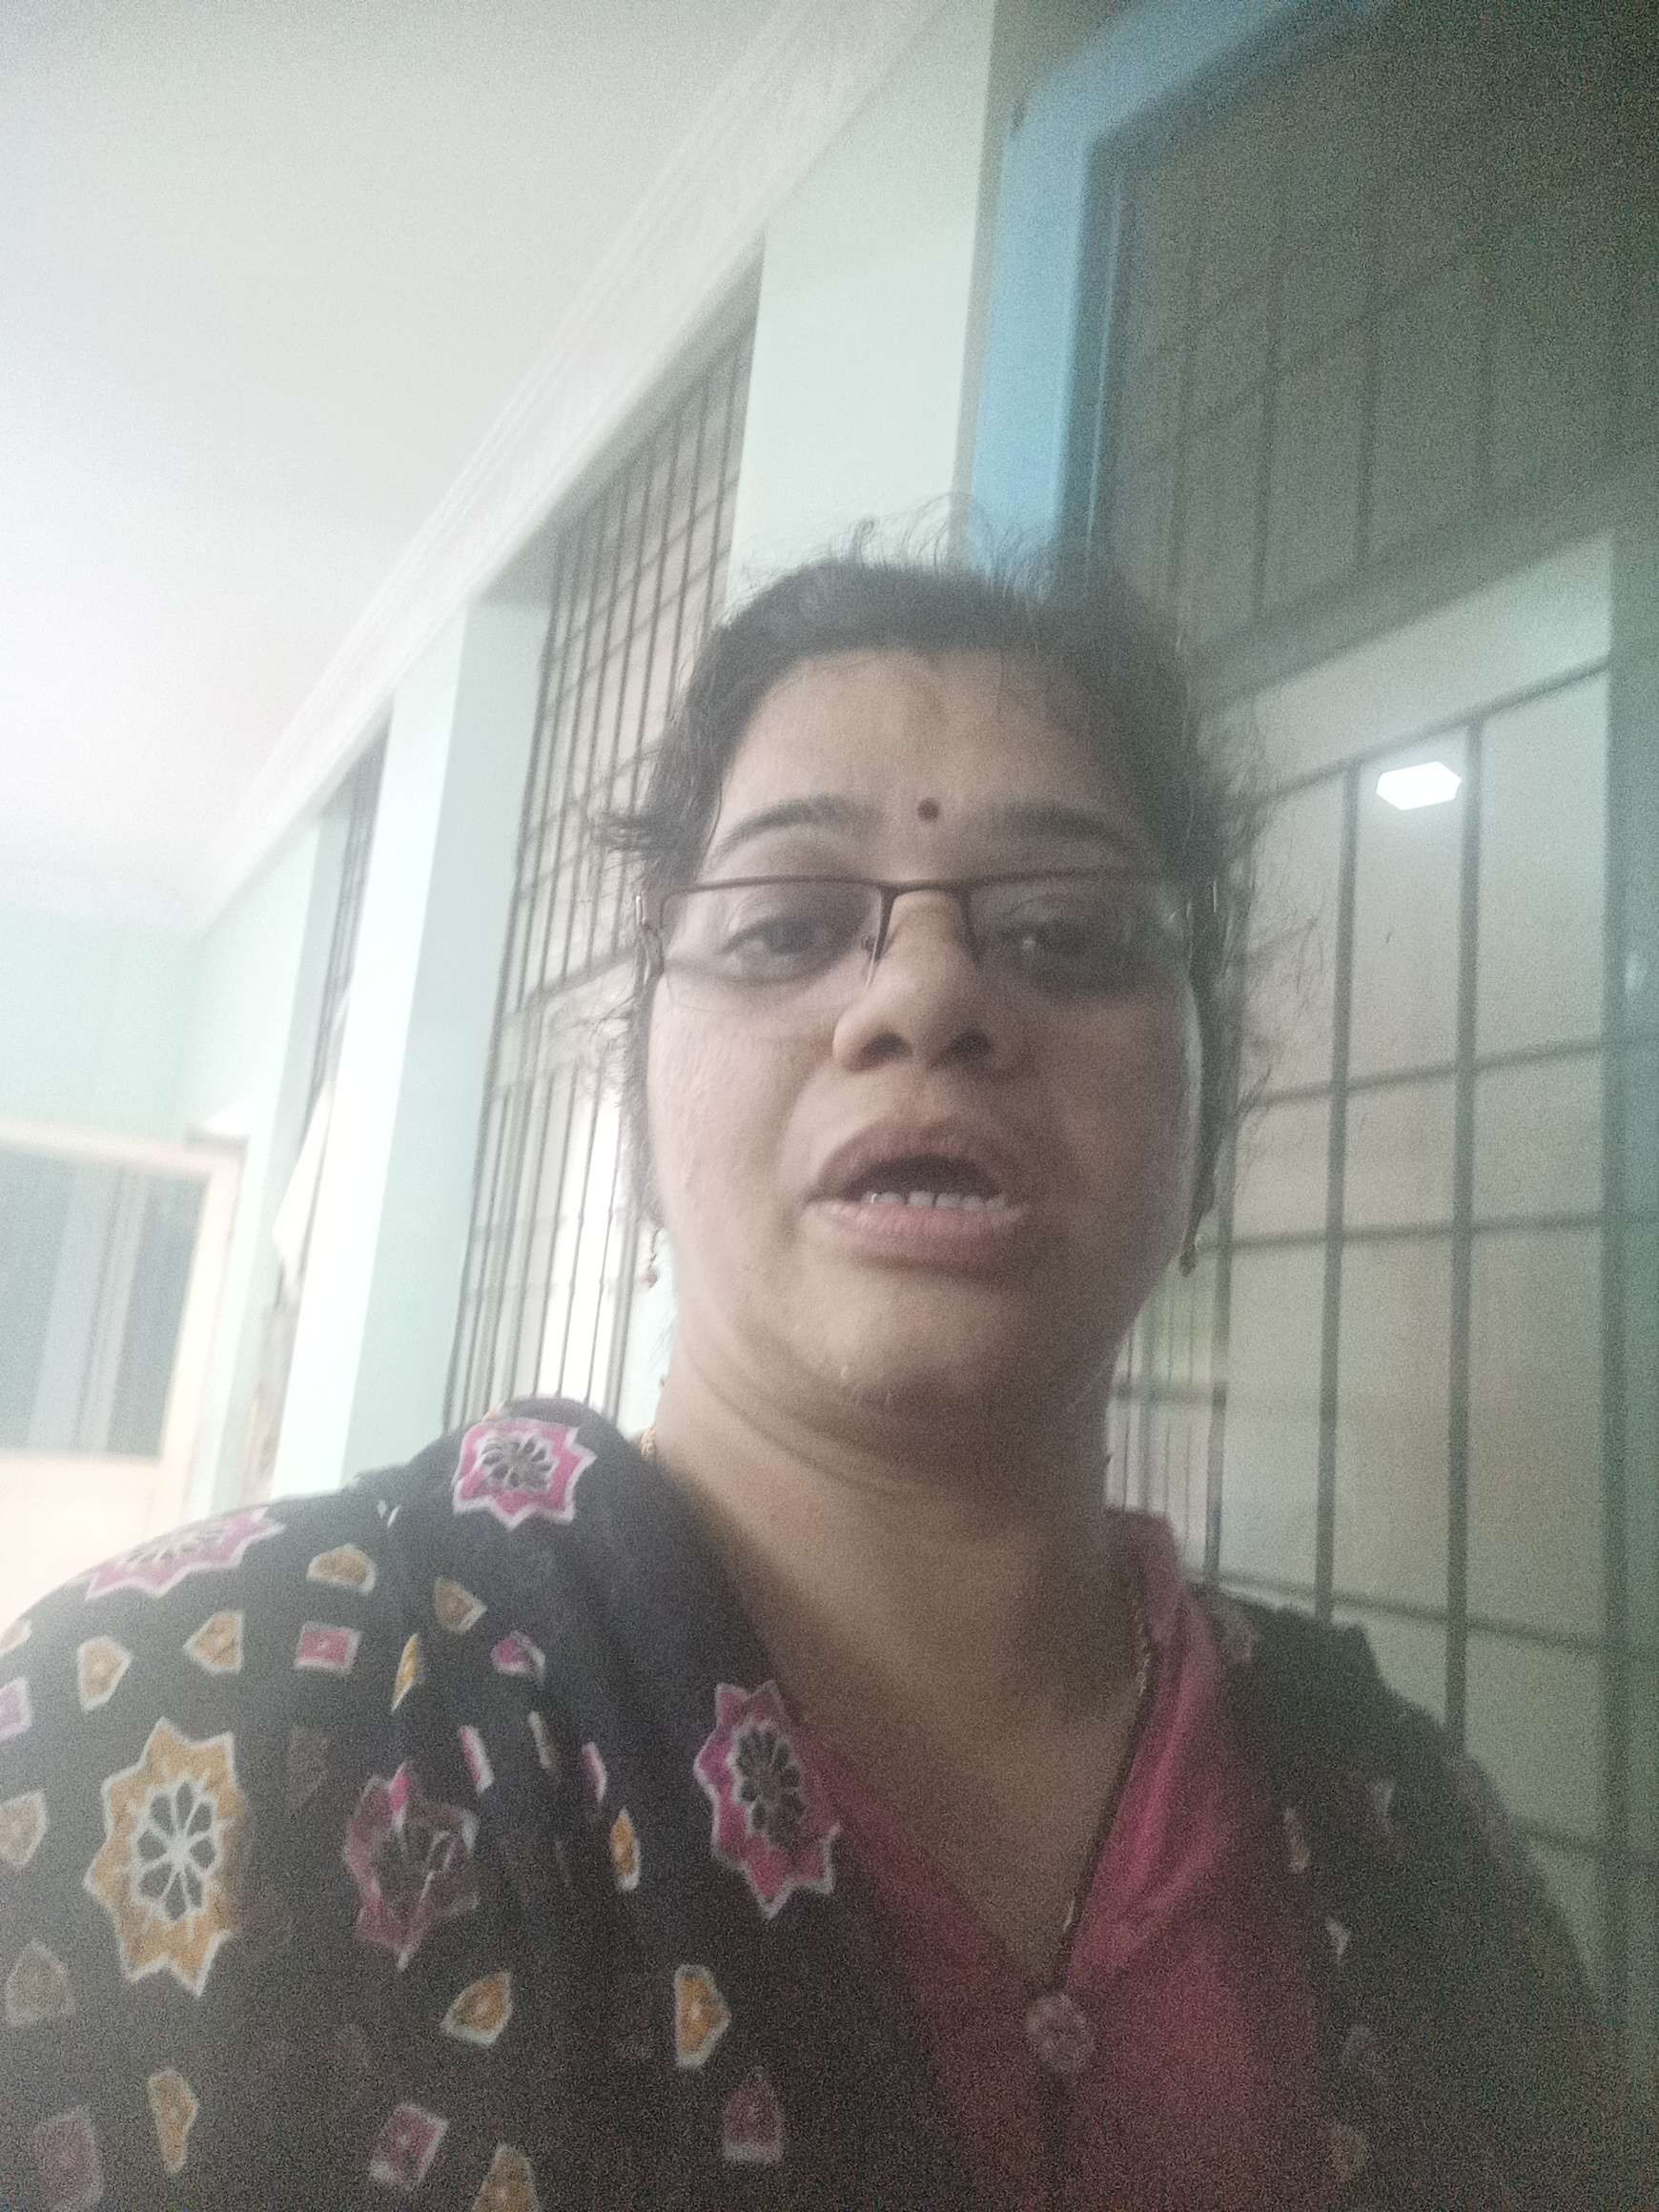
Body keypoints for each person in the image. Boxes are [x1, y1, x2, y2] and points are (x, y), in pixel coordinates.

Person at [0, 552, 1649, 2211]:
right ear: (640, 1111)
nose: (925, 998)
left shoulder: (1398, 1824)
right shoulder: (175, 1732)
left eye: (1069, 935)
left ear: (1204, 1117)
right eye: (786, 927)